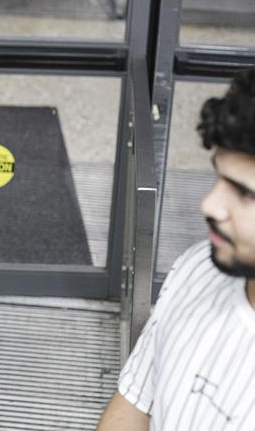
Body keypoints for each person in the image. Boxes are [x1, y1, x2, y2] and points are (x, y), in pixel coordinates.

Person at [97, 67, 255, 430]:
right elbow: (135, 400)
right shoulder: (198, 267)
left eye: (244, 191)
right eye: (218, 176)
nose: (210, 205)